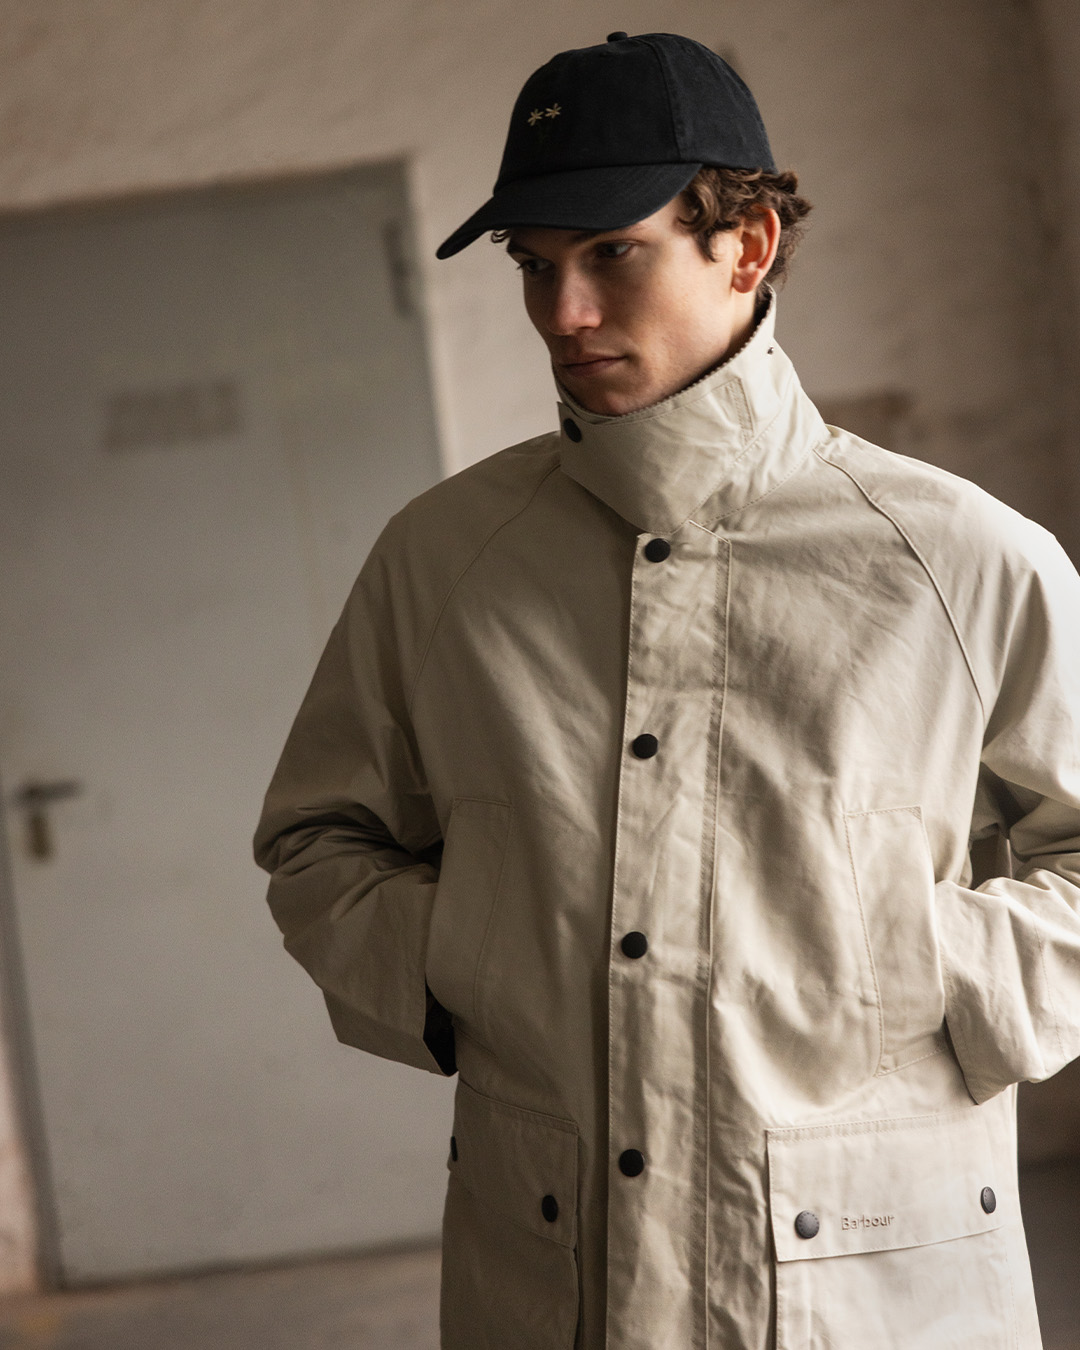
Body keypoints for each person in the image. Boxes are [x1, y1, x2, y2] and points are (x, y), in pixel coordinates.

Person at [254, 31, 1080, 1350]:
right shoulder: (443, 562)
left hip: (873, 1285)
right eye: (535, 265)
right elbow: (317, 842)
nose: (563, 313)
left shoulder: (962, 561)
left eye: (611, 254)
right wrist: (475, 958)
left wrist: (916, 965)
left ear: (746, 246)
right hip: (549, 1274)